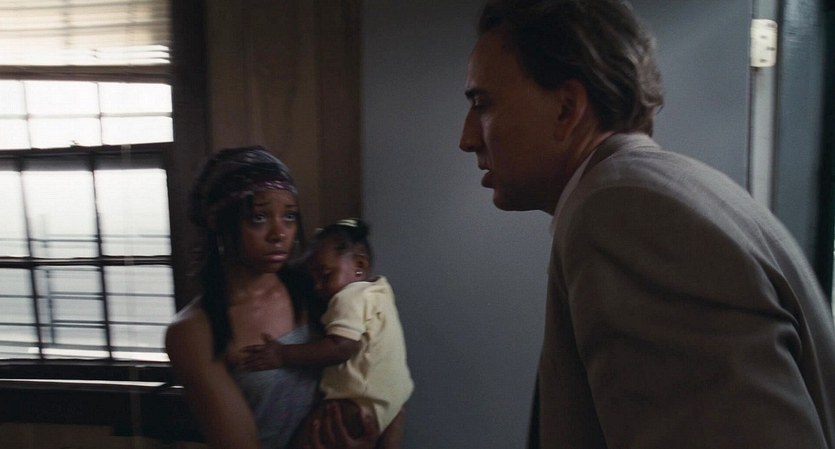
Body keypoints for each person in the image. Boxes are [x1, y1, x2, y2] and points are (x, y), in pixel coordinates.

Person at [458, 1, 835, 448]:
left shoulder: (622, 215)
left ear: (566, 109)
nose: (467, 138)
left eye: (482, 104)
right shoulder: (661, 190)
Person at [165, 146, 397, 449]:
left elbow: (387, 366)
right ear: (218, 222)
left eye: (289, 216)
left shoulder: (315, 286)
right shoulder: (193, 331)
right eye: (259, 217)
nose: (279, 234)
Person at [240, 217, 414, 448]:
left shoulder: (349, 297)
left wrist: (282, 355)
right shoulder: (380, 292)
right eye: (313, 278)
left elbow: (340, 348)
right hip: (388, 401)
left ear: (359, 265)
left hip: (354, 402)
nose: (317, 286)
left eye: (325, 275)